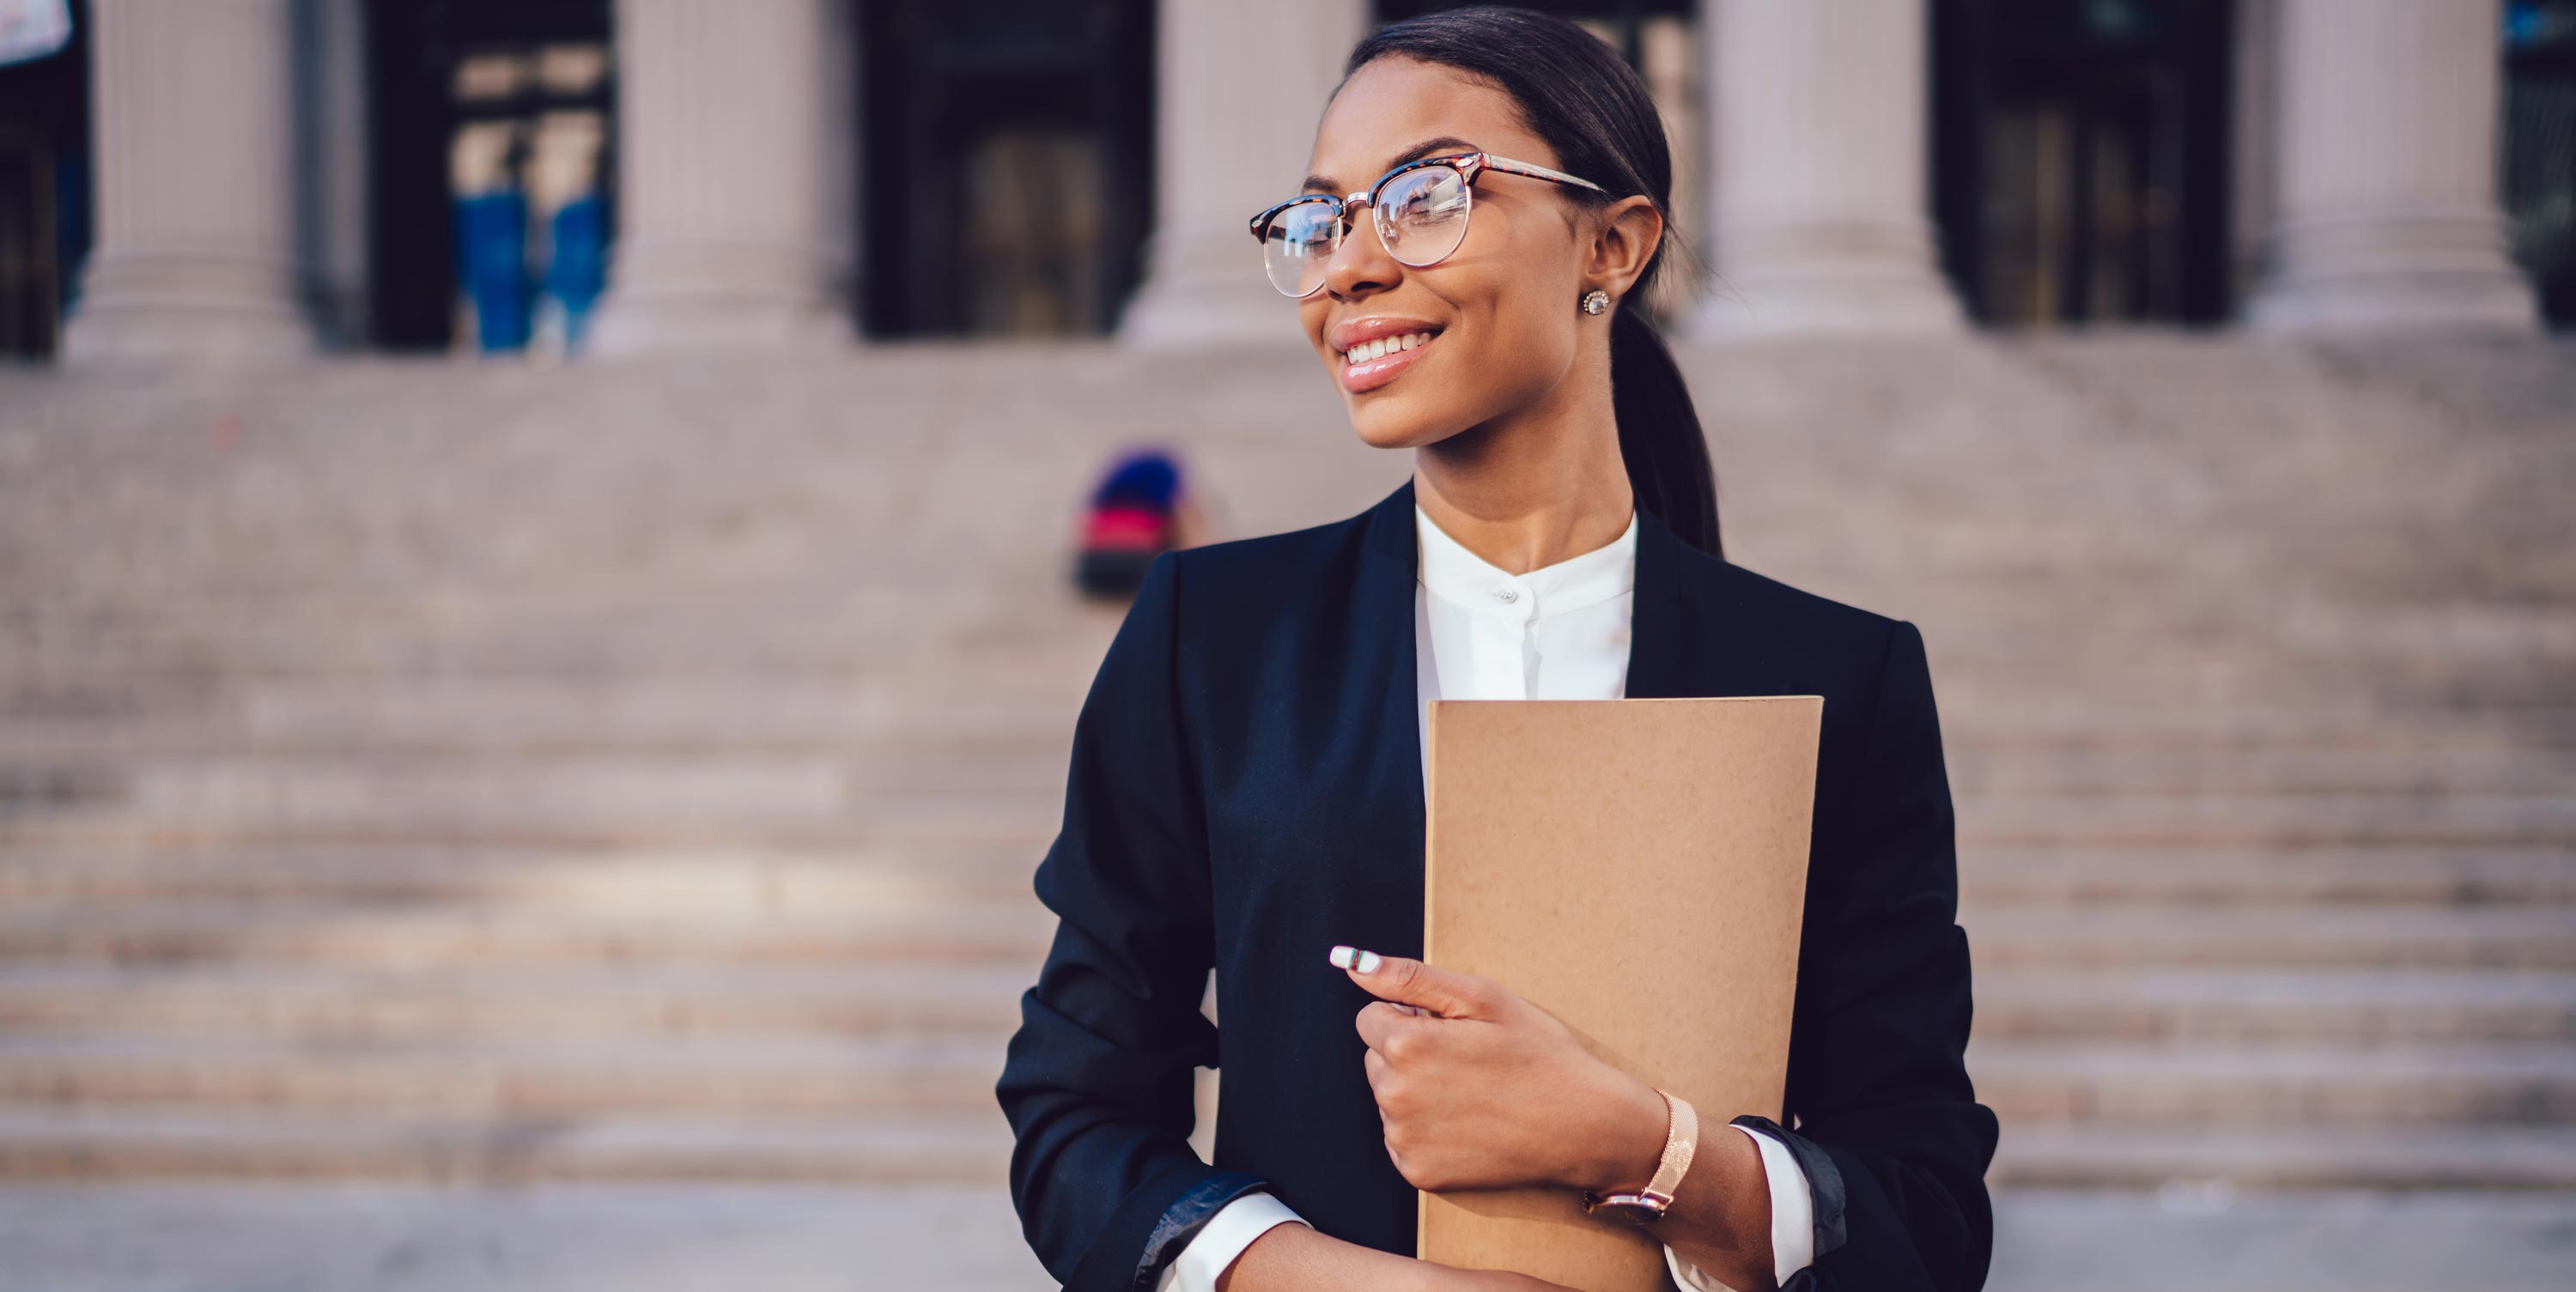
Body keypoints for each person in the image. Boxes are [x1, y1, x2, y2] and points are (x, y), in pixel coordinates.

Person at [994, 8, 1997, 1291]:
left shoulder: (1835, 680)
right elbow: (1074, 1120)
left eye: (1422, 196)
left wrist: (1641, 1143)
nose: (1348, 266)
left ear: (1614, 244)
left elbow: (1925, 1210)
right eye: (1319, 221)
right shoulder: (1211, 641)